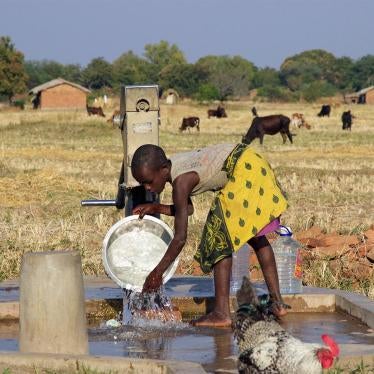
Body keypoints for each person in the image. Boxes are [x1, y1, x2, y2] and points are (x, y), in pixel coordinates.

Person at [131, 143, 289, 327]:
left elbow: (180, 238)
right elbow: (187, 209)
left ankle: (221, 313)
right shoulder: (176, 168)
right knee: (255, 236)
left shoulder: (181, 183)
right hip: (252, 162)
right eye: (143, 183)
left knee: (218, 236)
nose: (147, 187)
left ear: (164, 169)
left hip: (245, 170)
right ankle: (277, 304)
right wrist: (156, 207)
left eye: (149, 181)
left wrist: (157, 273)